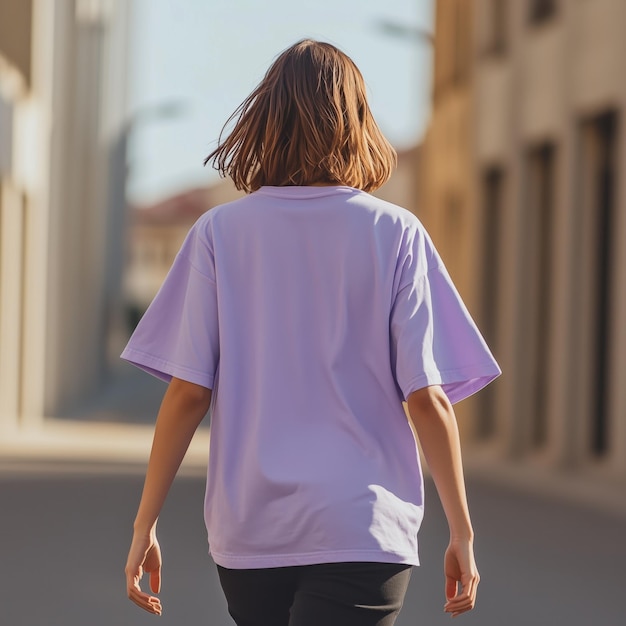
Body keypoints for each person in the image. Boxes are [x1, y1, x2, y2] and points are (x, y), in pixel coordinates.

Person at [123, 39, 500, 625]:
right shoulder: (395, 233)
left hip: (251, 531)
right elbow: (426, 396)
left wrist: (145, 523)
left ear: (266, 122)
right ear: (357, 122)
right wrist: (462, 531)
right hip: (363, 528)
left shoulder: (218, 233)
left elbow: (188, 392)